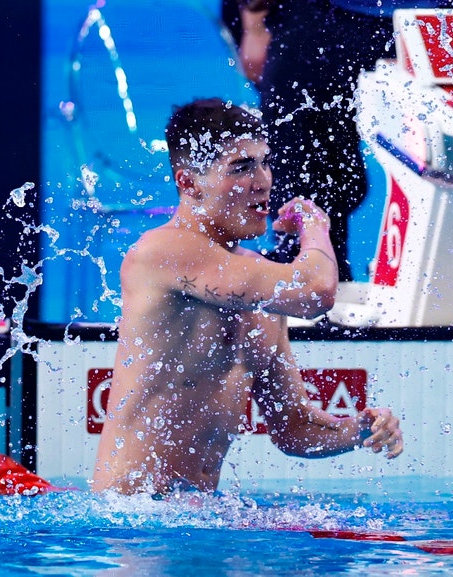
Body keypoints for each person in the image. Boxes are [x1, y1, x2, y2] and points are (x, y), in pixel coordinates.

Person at [92, 98, 403, 495]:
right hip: (132, 520)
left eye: (265, 162)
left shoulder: (257, 280)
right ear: (189, 183)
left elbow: (294, 427)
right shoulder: (164, 251)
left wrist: (359, 430)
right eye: (241, 168)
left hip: (198, 518)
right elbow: (317, 292)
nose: (263, 181)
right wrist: (314, 222)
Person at [231, 0, 453, 281]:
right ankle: (312, 282)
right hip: (322, 17)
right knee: (302, 175)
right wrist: (256, 19)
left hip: (441, 16)